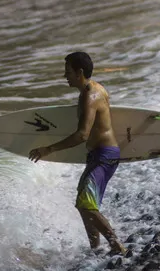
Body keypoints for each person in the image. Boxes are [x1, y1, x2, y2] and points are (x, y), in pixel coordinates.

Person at [29, 52, 126, 256]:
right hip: (99, 155)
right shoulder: (95, 90)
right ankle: (96, 249)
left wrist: (48, 149)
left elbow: (82, 135)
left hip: (105, 156)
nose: (65, 76)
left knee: (85, 203)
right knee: (83, 202)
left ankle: (117, 246)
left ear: (79, 72)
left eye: (68, 71)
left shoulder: (90, 96)